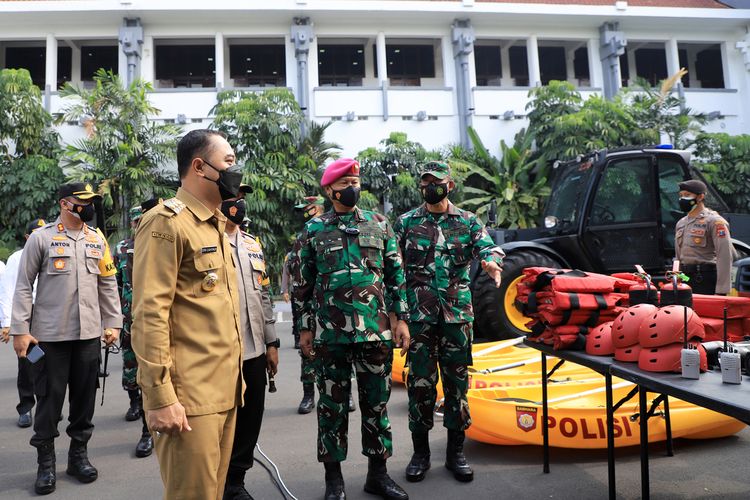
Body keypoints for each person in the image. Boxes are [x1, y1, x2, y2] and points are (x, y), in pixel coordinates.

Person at [131, 129, 244, 500]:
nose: (235, 170)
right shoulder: (166, 222)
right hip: (189, 400)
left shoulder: (213, 224)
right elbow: (149, 314)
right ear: (200, 167)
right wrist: (160, 396)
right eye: (228, 162)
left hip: (223, 392)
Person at [293, 158, 411, 500]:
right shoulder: (313, 231)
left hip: (375, 332)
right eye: (345, 184)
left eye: (356, 182)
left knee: (377, 404)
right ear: (330, 190)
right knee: (332, 408)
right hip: (331, 335)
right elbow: (303, 285)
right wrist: (304, 328)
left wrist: (401, 319)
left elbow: (396, 277)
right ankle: (335, 481)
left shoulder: (379, 224)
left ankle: (378, 474)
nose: (353, 189)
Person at [394, 161, 504, 484]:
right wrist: (396, 314)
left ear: (449, 185)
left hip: (457, 318)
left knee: (457, 388)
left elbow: (489, 248)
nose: (431, 187)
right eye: (426, 181)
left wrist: (492, 264)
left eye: (437, 181)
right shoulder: (405, 223)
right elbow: (393, 269)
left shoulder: (468, 222)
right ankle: (420, 454)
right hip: (420, 319)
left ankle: (456, 452)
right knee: (420, 386)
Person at [10, 183, 122, 495]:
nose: (88, 207)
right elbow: (23, 285)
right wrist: (21, 329)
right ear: (65, 204)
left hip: (87, 335)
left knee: (85, 399)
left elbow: (108, 282)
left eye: (91, 202)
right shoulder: (41, 238)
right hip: (49, 338)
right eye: (82, 202)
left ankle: (78, 457)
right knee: (48, 401)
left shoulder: (96, 239)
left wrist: (113, 323)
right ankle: (45, 463)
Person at [220, 187, 280, 500]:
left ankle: (235, 481)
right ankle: (213, 481)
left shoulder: (252, 244)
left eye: (241, 198)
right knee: (219, 420)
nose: (238, 204)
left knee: (250, 417)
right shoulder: (206, 239)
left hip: (254, 347)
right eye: (232, 197)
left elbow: (264, 296)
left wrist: (272, 342)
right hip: (218, 352)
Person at [114, 198, 160, 458]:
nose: (138, 224)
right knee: (133, 372)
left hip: (158, 323)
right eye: (135, 220)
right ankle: (140, 416)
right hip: (130, 322)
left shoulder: (160, 244)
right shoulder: (122, 249)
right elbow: (113, 287)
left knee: (155, 375)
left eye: (142, 219)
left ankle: (149, 430)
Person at [0, 218, 46, 428]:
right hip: (26, 312)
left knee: (48, 360)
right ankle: (26, 407)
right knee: (27, 360)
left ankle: (47, 405)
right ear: (27, 237)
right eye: (36, 233)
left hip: (47, 313)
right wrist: (8, 323)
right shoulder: (16, 258)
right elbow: (8, 291)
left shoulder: (52, 251)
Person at [675, 179, 734, 295]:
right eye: (681, 195)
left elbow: (725, 255)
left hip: (705, 278)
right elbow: (678, 257)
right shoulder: (681, 223)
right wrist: (676, 280)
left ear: (700, 197)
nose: (682, 199)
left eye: (687, 195)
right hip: (685, 279)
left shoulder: (714, 221)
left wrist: (721, 291)